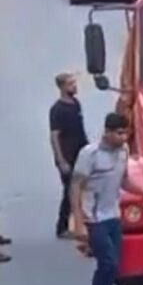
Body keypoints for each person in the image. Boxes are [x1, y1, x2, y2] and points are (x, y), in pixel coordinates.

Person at [71, 112, 143, 285]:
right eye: (118, 133)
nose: (123, 137)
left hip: (112, 216)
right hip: (94, 218)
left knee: (113, 266)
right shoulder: (90, 154)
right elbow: (76, 187)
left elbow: (124, 179)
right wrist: (78, 224)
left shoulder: (123, 152)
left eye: (125, 133)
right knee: (106, 264)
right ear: (106, 132)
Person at [49, 72, 89, 239]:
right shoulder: (57, 110)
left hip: (81, 152)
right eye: (71, 84)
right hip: (67, 155)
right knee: (69, 192)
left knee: (85, 188)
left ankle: (82, 222)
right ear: (62, 87)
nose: (75, 86)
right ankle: (62, 227)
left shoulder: (75, 104)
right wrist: (61, 160)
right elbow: (54, 136)